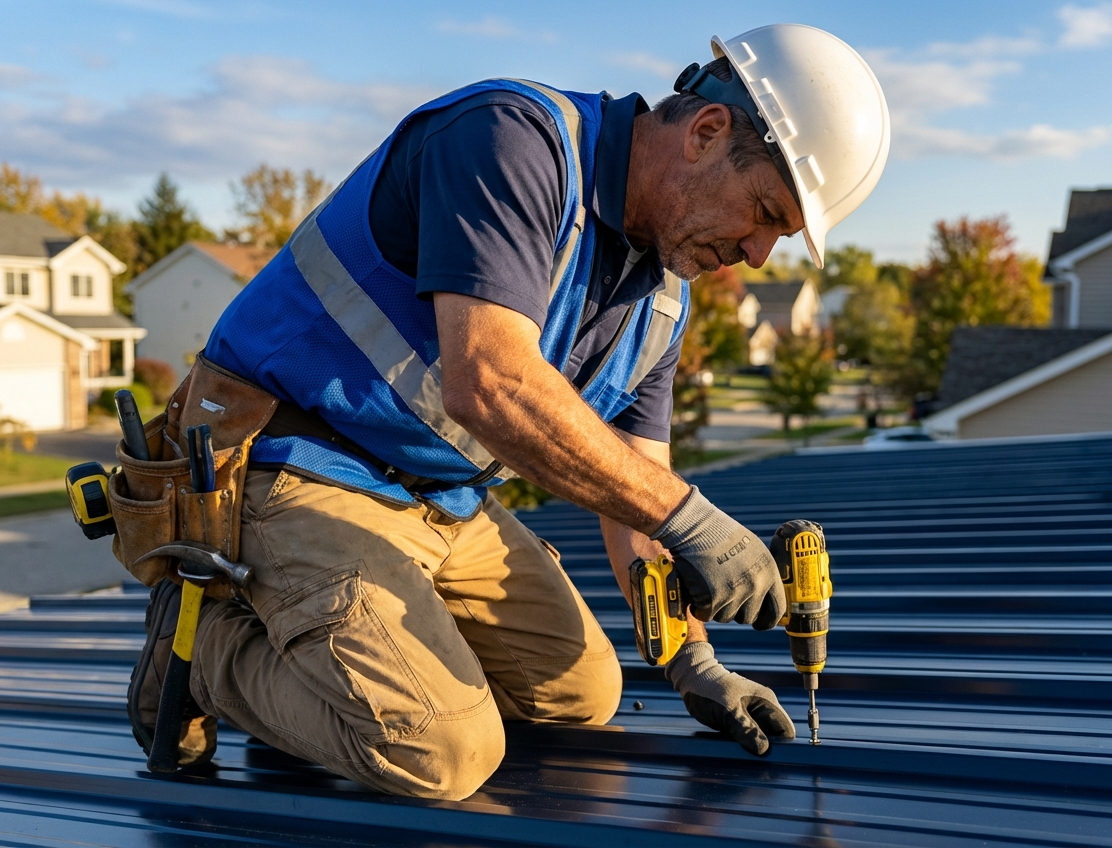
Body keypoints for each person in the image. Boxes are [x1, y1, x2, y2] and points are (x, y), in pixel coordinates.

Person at [122, 24, 889, 800]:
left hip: (439, 500)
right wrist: (694, 520)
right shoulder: (513, 142)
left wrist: (694, 661)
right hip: (294, 462)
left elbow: (639, 493)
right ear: (707, 131)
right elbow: (489, 379)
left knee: (582, 696)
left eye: (778, 236)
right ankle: (203, 653)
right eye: (762, 212)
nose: (757, 254)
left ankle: (331, 648)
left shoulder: (661, 303)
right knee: (441, 753)